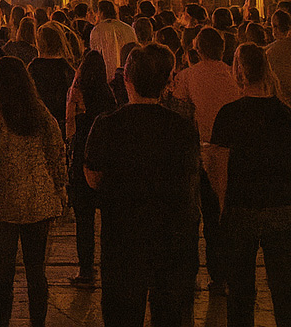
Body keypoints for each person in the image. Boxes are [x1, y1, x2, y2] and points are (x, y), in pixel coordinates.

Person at [84, 42, 201, 327]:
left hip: (123, 233)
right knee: (169, 311)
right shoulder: (182, 127)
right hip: (171, 232)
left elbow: (93, 177)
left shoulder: (108, 125)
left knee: (122, 310)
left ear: (128, 80)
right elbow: (191, 175)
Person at [0, 57, 65, 327]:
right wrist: (59, 188)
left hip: (3, 202)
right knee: (36, 273)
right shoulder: (42, 115)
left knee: (3, 275)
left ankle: (3, 322)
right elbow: (57, 154)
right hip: (39, 201)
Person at [206, 42, 291, 326]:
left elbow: (218, 165)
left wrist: (222, 204)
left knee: (240, 291)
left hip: (241, 208)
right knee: (284, 290)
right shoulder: (285, 114)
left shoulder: (229, 114)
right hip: (281, 208)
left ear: (240, 72)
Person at [170, 24, 240, 293]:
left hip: (203, 152)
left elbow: (180, 111)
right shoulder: (234, 75)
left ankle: (215, 274)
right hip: (233, 153)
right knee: (229, 215)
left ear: (197, 50)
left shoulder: (188, 76)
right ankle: (232, 271)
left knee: (207, 217)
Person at [64, 49, 115, 290]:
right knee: (107, 219)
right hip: (105, 159)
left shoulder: (77, 93)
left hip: (82, 157)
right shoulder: (108, 95)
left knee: (83, 220)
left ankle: (86, 269)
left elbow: (69, 127)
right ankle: (108, 265)